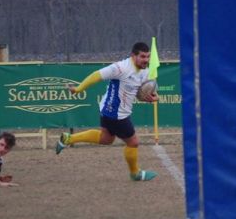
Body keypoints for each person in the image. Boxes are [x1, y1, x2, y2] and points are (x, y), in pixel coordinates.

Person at [56, 42, 159, 181]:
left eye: (148, 57)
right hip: (116, 114)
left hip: (109, 110)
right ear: (133, 56)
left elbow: (138, 93)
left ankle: (69, 138)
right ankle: (135, 173)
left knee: (106, 138)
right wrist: (79, 89)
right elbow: (96, 75)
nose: (146, 60)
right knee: (133, 142)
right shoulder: (121, 68)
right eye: (142, 56)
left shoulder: (144, 71)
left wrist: (150, 97)